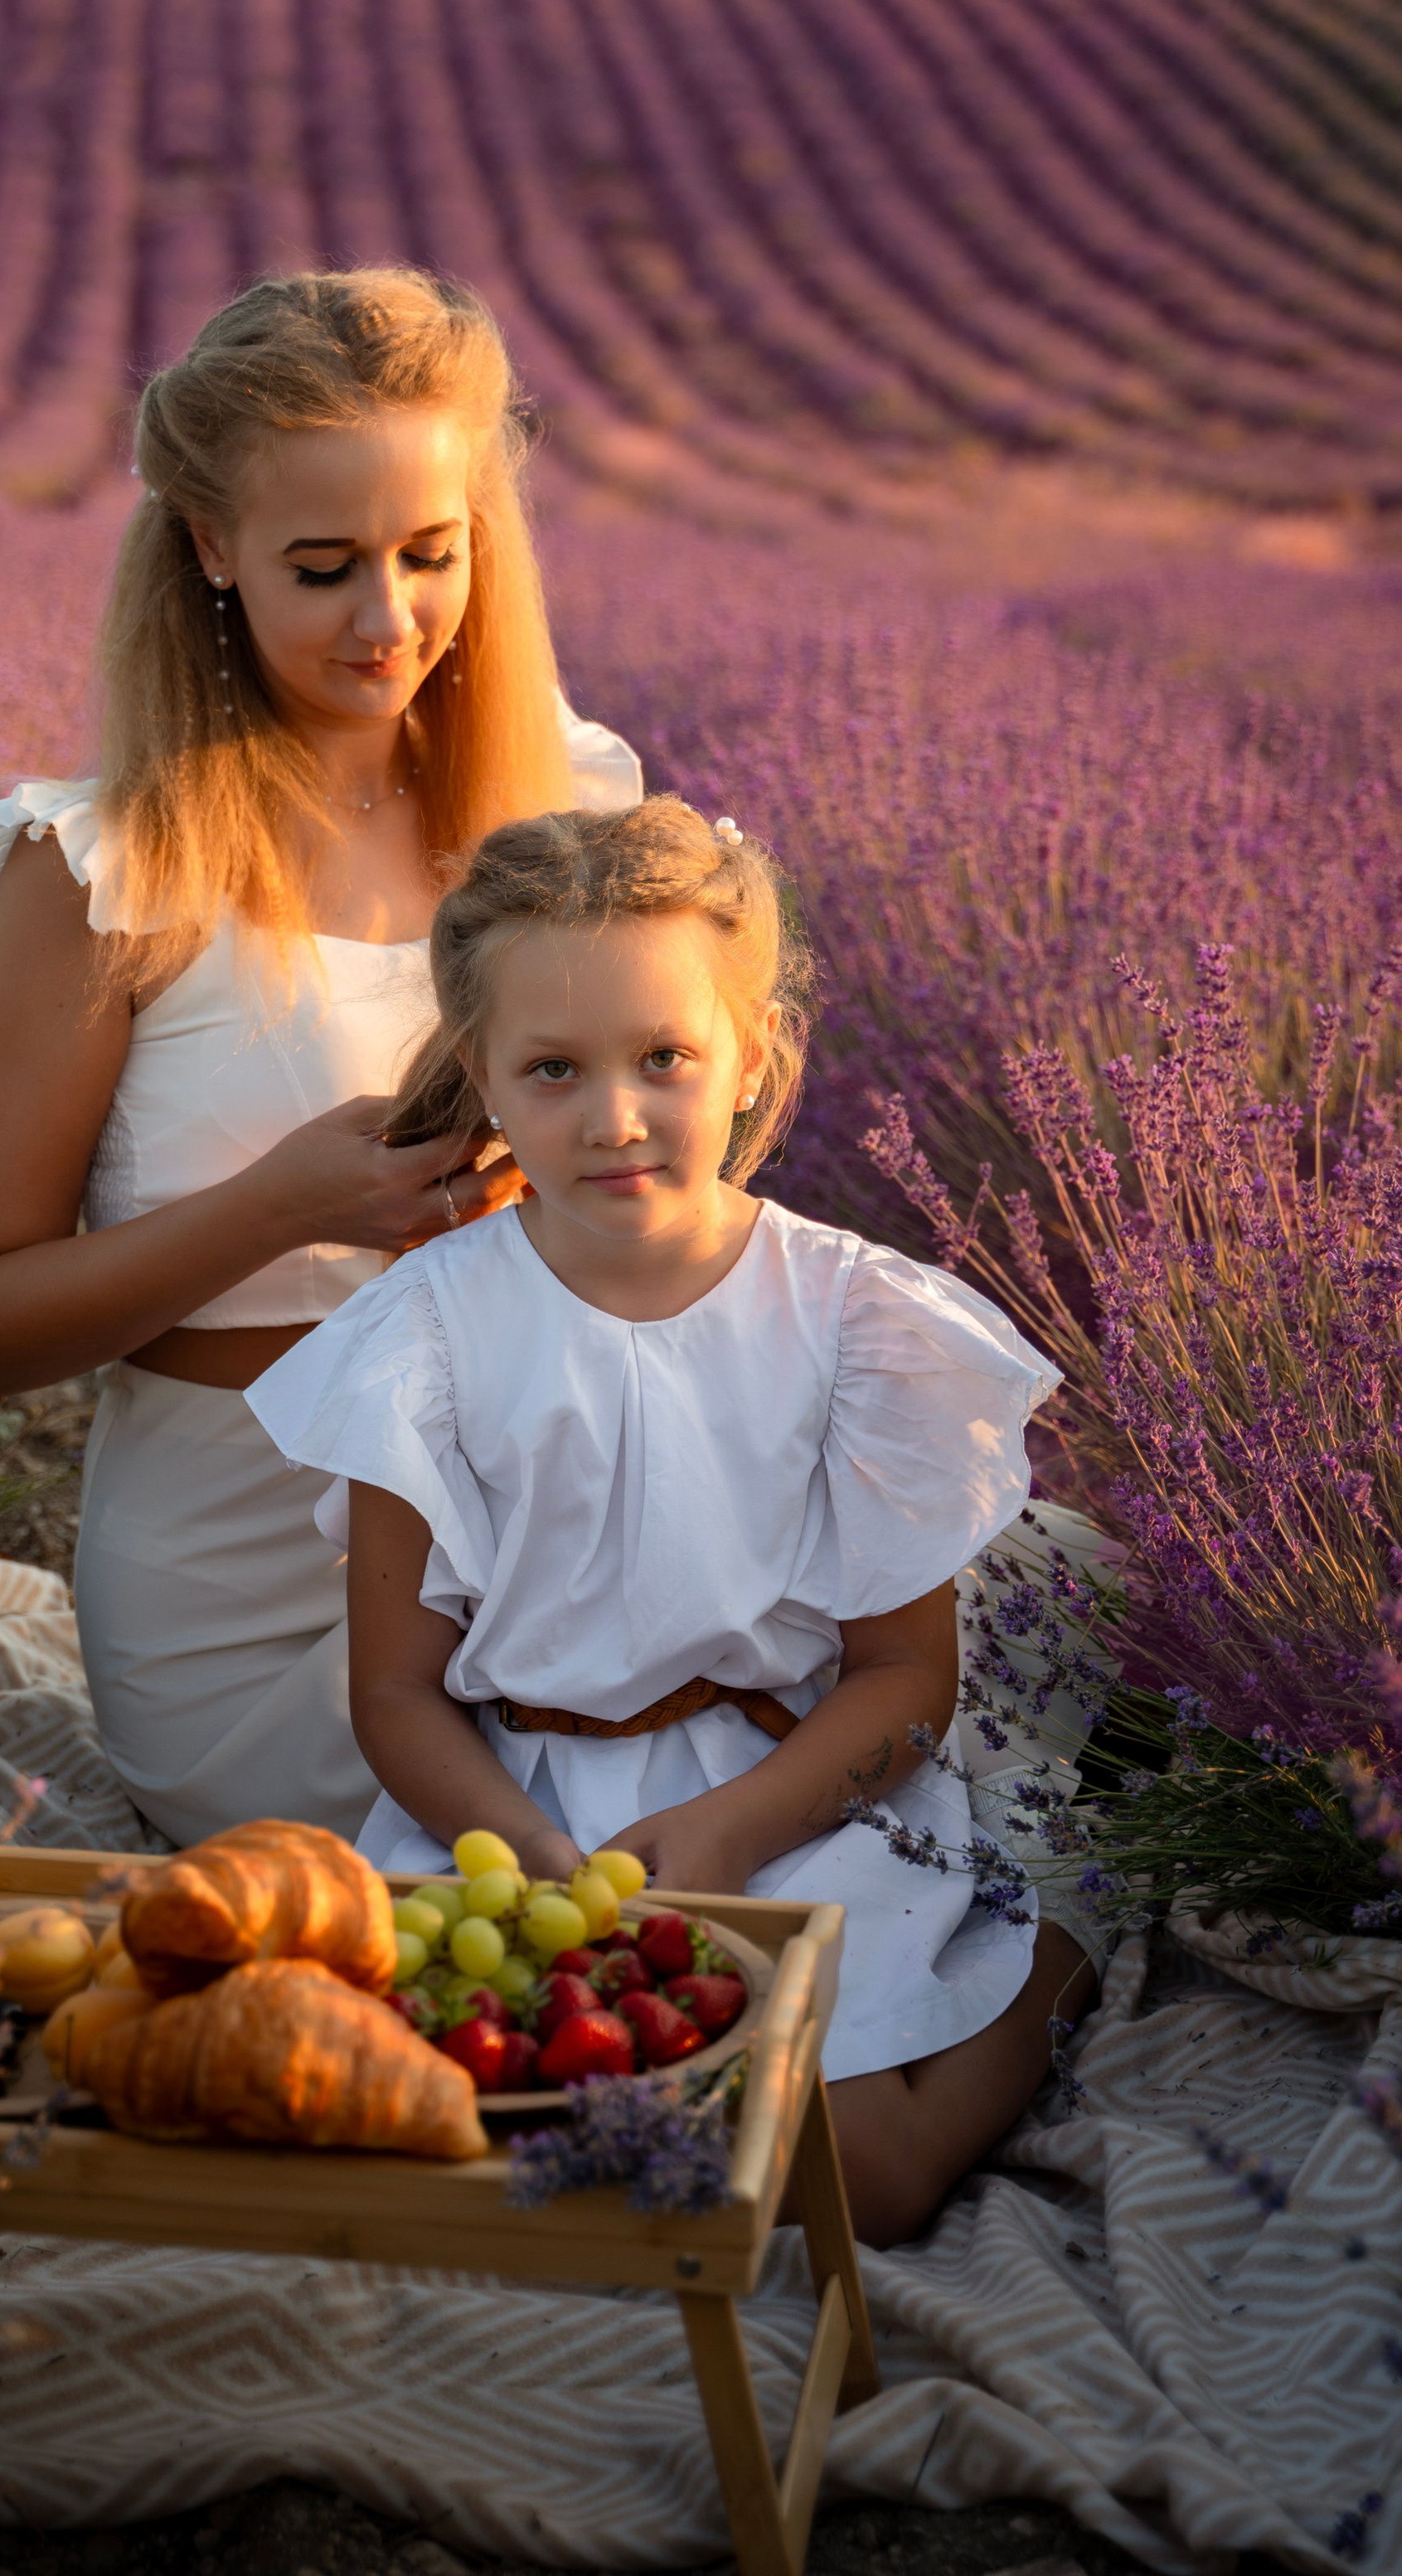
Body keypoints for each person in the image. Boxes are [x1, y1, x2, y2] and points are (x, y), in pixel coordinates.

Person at [246, 797, 1098, 2245]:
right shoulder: (426, 1333)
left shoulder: (850, 1319)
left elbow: (902, 1677)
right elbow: (392, 1690)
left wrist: (723, 1833)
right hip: (505, 1814)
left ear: (751, 1052)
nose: (616, 1116)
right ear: (485, 1077)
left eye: (666, 1059)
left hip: (782, 1791)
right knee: (421, 2132)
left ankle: (1062, 1948)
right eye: (555, 1069)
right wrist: (531, 1869)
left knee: (856, 2181)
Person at [0, 269, 640, 1846]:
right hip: (249, 1601)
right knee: (669, 1818)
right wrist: (281, 1207)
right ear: (210, 547)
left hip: (536, 1520)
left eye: (433, 556)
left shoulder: (566, 806)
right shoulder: (106, 875)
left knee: (972, 1619)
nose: (390, 622)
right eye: (324, 568)